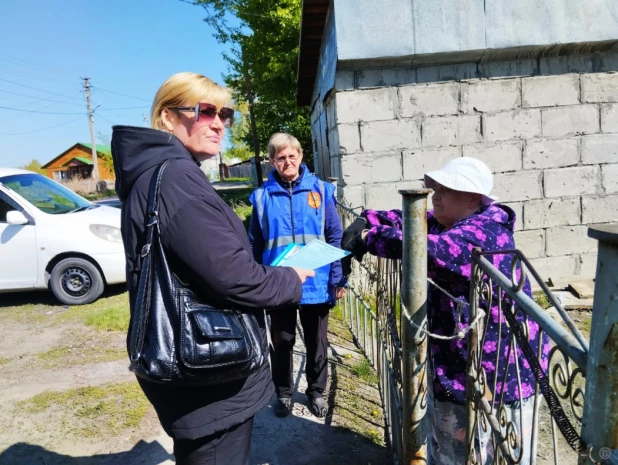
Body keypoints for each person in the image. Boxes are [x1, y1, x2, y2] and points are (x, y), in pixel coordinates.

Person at [112, 72, 314, 465]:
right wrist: (291, 278)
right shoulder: (176, 181)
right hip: (208, 370)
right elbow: (235, 277)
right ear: (167, 118)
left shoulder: (162, 174)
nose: (219, 122)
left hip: (195, 363)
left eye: (226, 113)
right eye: (205, 111)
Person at [342, 157, 549, 465]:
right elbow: (410, 218)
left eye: (446, 189)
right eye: (435, 187)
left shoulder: (484, 233)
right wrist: (368, 218)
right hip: (463, 363)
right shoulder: (452, 220)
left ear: (472, 198)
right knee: (456, 446)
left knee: (494, 451)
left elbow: (425, 250)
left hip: (499, 374)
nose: (434, 194)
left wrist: (367, 238)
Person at [248, 133, 347, 419]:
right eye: (281, 157)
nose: (287, 162)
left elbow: (334, 234)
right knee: (282, 340)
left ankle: (316, 392)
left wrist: (338, 278)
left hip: (316, 280)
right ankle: (283, 392)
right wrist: (255, 281)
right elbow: (254, 242)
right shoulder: (262, 197)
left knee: (317, 341)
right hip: (278, 282)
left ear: (301, 156)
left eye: (292, 156)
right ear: (272, 161)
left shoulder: (320, 190)